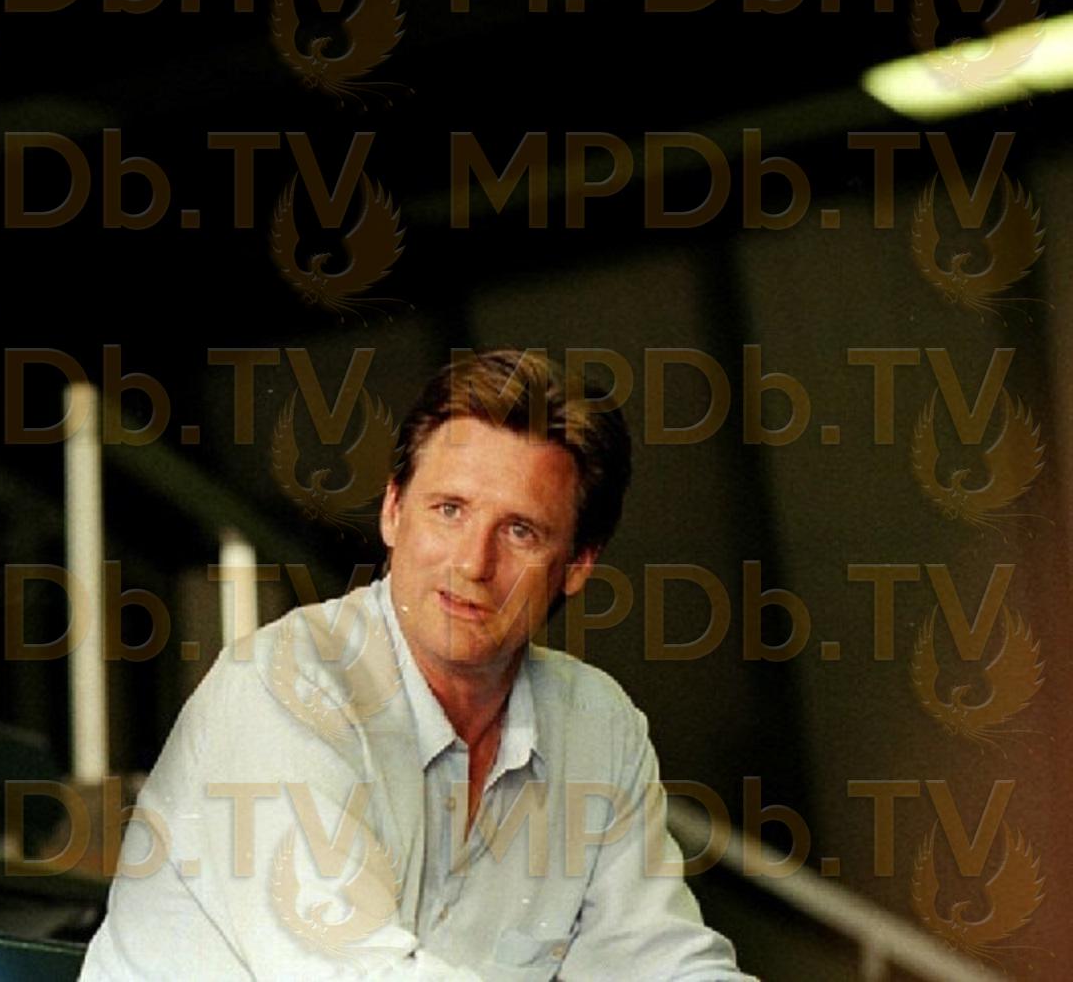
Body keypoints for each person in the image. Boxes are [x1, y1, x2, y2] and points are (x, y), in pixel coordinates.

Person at [82, 350, 749, 978]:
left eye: (520, 530)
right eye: (449, 510)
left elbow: (659, 960)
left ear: (576, 564)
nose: (473, 562)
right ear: (393, 511)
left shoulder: (598, 726)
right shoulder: (284, 686)